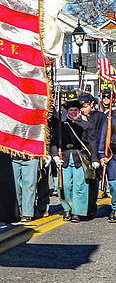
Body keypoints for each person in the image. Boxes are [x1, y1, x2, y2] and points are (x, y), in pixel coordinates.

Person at [52, 93, 98, 223]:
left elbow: (92, 142)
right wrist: (55, 155)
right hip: (64, 158)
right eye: (71, 110)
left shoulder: (86, 125)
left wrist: (94, 159)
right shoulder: (61, 125)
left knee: (80, 186)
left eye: (76, 110)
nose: (73, 112)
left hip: (80, 158)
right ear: (67, 111)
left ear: (79, 111)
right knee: (65, 186)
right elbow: (54, 142)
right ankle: (67, 209)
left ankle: (77, 212)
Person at [80, 92, 105, 219]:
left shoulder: (100, 117)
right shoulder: (77, 117)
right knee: (81, 182)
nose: (83, 109)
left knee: (93, 182)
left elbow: (102, 136)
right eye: (81, 107)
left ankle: (91, 208)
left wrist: (99, 155)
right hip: (81, 153)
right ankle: (79, 209)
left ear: (92, 104)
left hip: (94, 154)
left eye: (85, 106)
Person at [98, 88, 116, 222]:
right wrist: (101, 154)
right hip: (113, 154)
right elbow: (103, 135)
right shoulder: (110, 116)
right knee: (114, 184)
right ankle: (115, 207)